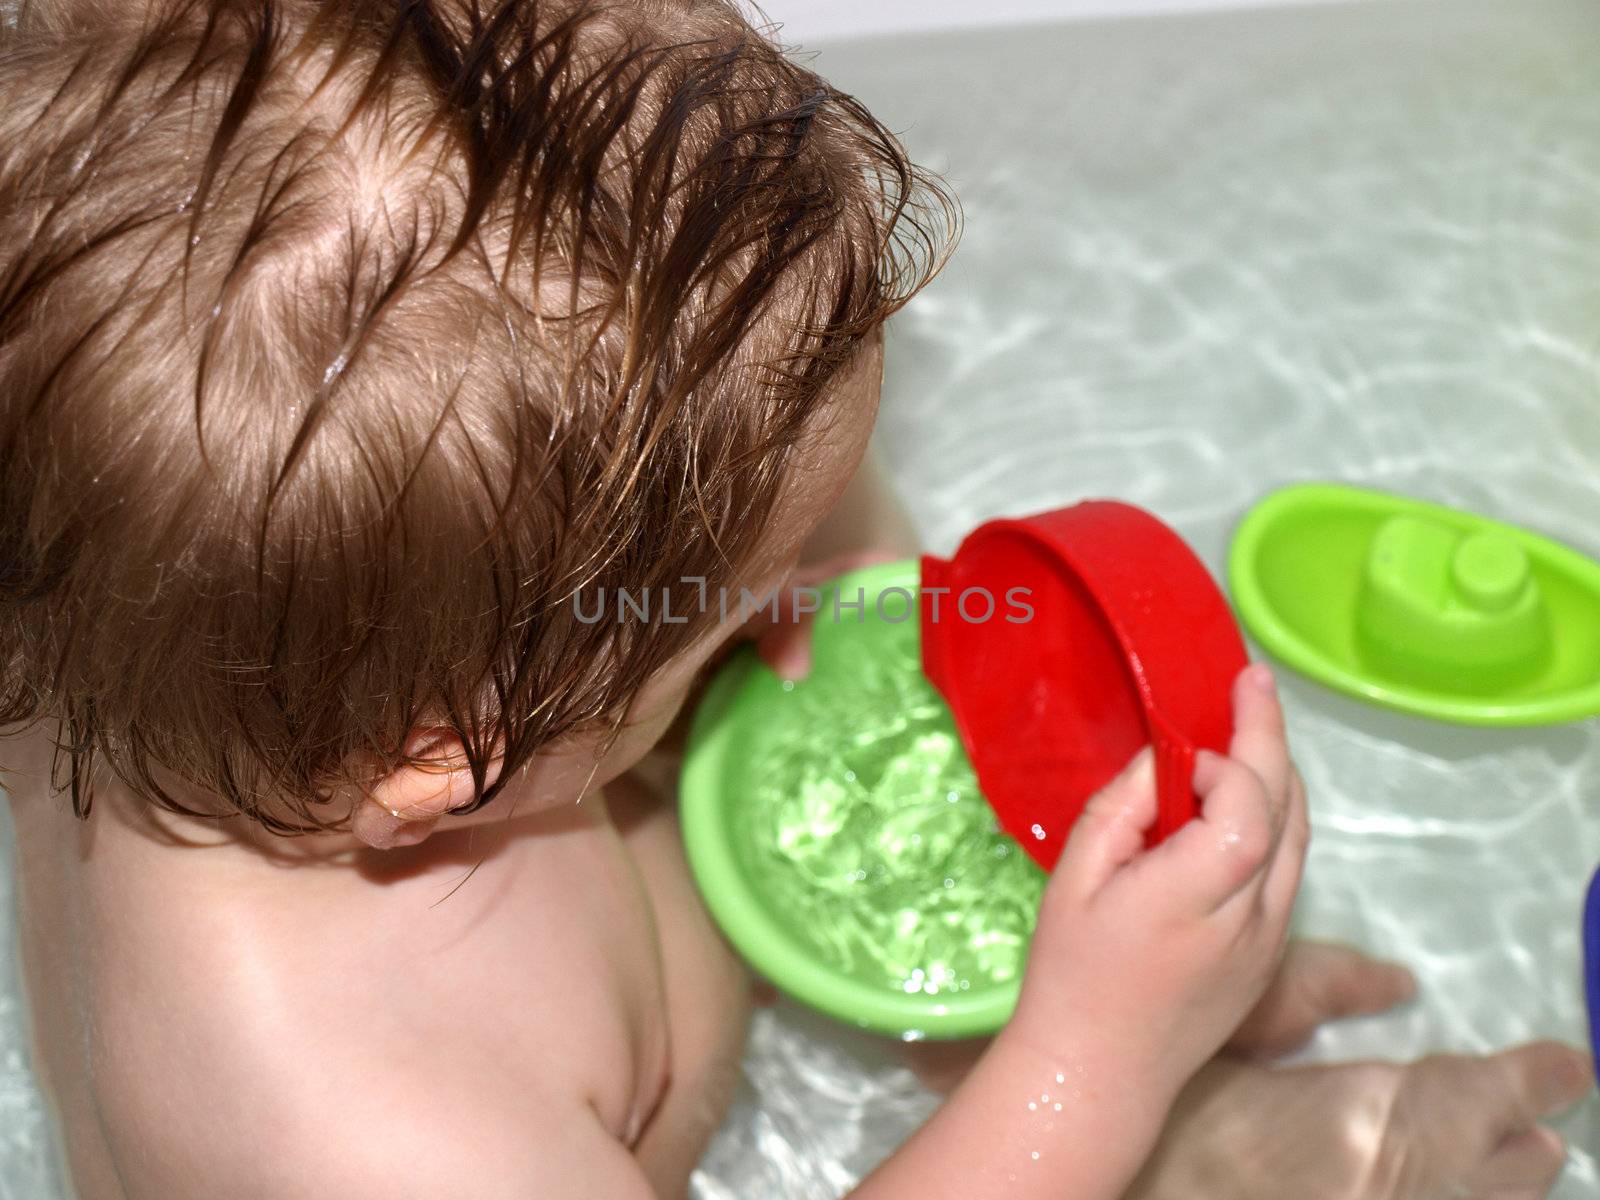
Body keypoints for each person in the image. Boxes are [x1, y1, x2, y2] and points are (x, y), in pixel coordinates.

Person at [0, 2, 1588, 1197]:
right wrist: (1088, 1063)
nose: (804, 598)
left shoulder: (200, 562)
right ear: (452, 751)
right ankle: (1169, 1134)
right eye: (748, 585)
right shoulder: (367, 1136)